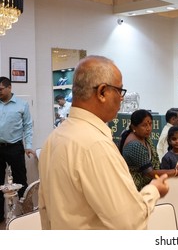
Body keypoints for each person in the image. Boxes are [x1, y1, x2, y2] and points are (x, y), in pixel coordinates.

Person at [38, 56, 169, 229]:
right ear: (102, 92)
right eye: (119, 91)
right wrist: (154, 190)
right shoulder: (95, 144)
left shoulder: (54, 137)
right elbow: (129, 221)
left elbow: (46, 211)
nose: (121, 99)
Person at [120, 109, 178, 191]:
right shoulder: (134, 145)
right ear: (134, 127)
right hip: (136, 189)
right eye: (144, 125)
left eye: (150, 124)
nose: (148, 128)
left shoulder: (143, 137)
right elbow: (150, 173)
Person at [0, 76, 36, 223]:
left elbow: (28, 126)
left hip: (15, 147)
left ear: (10, 87)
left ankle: (26, 214)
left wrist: (28, 146)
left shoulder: (22, 105)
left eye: (1, 89)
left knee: (21, 181)